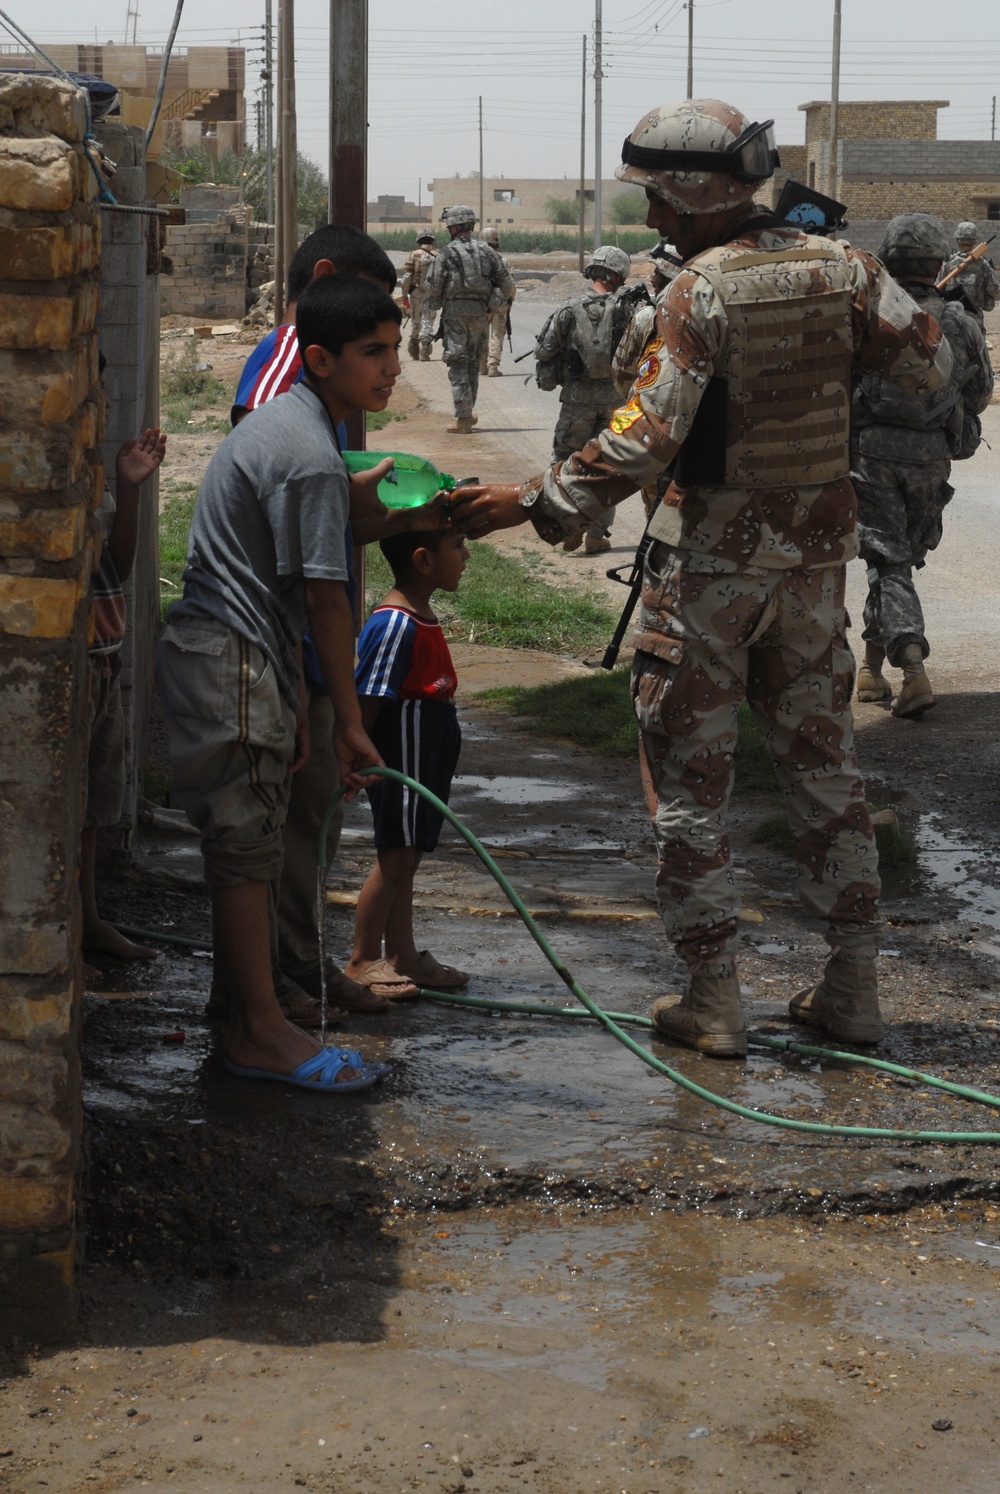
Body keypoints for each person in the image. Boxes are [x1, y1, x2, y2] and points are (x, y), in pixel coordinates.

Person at [449, 98, 952, 1058]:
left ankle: (714, 1000)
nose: (650, 222)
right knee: (825, 771)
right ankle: (852, 990)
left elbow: (642, 440)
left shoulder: (701, 292)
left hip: (712, 575)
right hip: (812, 577)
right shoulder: (849, 268)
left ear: (694, 193)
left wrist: (538, 503)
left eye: (658, 201)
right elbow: (930, 372)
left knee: (692, 783)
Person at [155, 276, 417, 1093]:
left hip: (247, 661)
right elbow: (326, 599)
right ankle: (261, 1032)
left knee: (255, 843)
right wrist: (347, 717)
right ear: (319, 359)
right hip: (231, 656)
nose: (390, 369)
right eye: (373, 353)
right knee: (244, 852)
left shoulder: (302, 432)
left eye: (395, 350)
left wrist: (292, 707)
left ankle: (245, 1015)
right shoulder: (305, 456)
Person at [230, 224, 401, 1024]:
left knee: (301, 825)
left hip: (286, 648)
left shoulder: (305, 404)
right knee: (282, 831)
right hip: (277, 648)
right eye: (375, 344)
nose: (392, 369)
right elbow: (303, 580)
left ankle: (286, 978)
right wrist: (314, 694)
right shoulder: (287, 418)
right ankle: (276, 993)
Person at [853, 213, 993, 717]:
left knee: (887, 562)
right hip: (932, 457)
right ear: (938, 262)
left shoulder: (868, 315)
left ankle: (912, 669)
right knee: (895, 562)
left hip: (872, 454)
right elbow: (979, 396)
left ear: (887, 262)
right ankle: (871, 671)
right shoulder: (959, 321)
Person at [345, 527, 471, 999]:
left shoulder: (418, 615)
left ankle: (402, 954)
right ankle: (362, 958)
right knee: (396, 856)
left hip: (427, 747)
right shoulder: (395, 623)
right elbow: (369, 700)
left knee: (409, 854)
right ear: (423, 561)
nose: (466, 555)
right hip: (404, 751)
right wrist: (359, 757)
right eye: (457, 546)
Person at [82, 356, 166, 976]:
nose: (103, 404)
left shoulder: (90, 476)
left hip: (103, 660)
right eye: (97, 392)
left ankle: (86, 918)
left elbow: (119, 566)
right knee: (69, 806)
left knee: (87, 811)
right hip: (80, 664)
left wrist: (130, 489)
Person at [535, 244, 634, 554]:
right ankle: (597, 532)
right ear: (619, 276)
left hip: (577, 400)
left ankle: (560, 523)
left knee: (563, 460)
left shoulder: (568, 308)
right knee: (609, 465)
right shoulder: (630, 309)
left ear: (592, 271)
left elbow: (544, 350)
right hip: (617, 400)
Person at [424, 204, 515, 434]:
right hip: (480, 314)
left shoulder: (445, 253)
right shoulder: (487, 251)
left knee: (458, 362)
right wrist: (498, 301)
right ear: (471, 226)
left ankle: (463, 418)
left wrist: (435, 306)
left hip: (455, 314)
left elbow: (434, 289)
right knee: (473, 362)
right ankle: (467, 412)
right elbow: (507, 284)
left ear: (453, 227)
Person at [941, 221, 998, 330]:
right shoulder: (983, 264)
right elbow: (994, 289)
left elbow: (938, 290)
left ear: (957, 239)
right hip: (974, 321)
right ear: (974, 240)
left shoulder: (948, 263)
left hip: (951, 319)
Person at [478, 226, 516, 377]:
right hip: (500, 303)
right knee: (497, 334)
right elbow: (510, 284)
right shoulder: (503, 261)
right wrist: (510, 300)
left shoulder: (477, 262)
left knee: (482, 334)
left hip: (481, 302)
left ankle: (482, 366)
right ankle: (493, 366)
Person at [400, 228, 437, 362]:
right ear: (432, 240)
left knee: (416, 320)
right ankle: (425, 350)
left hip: (416, 293)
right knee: (428, 321)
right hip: (432, 294)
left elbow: (407, 275)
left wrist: (404, 294)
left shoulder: (413, 254)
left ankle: (414, 349)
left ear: (419, 241)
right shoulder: (438, 255)